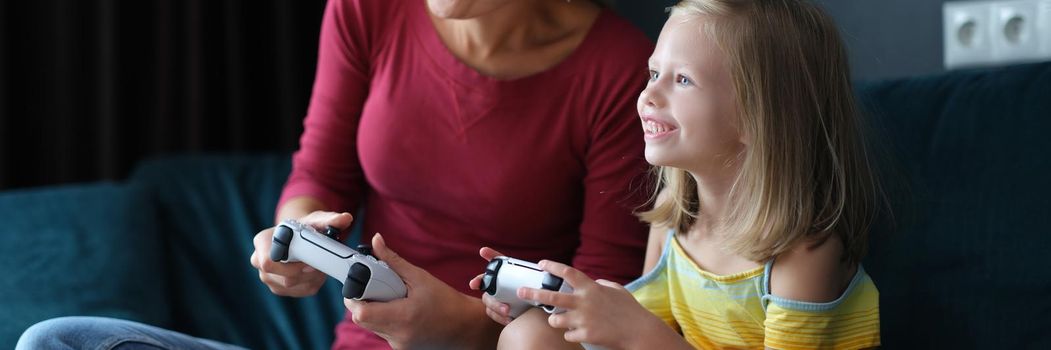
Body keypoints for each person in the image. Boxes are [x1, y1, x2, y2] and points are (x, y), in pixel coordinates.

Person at [17, 0, 653, 349]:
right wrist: (294, 236)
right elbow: (317, 175)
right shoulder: (366, 11)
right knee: (58, 342)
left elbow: (608, 306)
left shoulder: (620, 69)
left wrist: (460, 326)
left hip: (510, 348)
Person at [470, 0, 884, 348]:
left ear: (758, 118)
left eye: (682, 79)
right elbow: (638, 328)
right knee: (532, 334)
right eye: (654, 73)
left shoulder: (803, 252)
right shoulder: (674, 224)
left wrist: (640, 332)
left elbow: (647, 336)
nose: (648, 95)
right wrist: (555, 305)